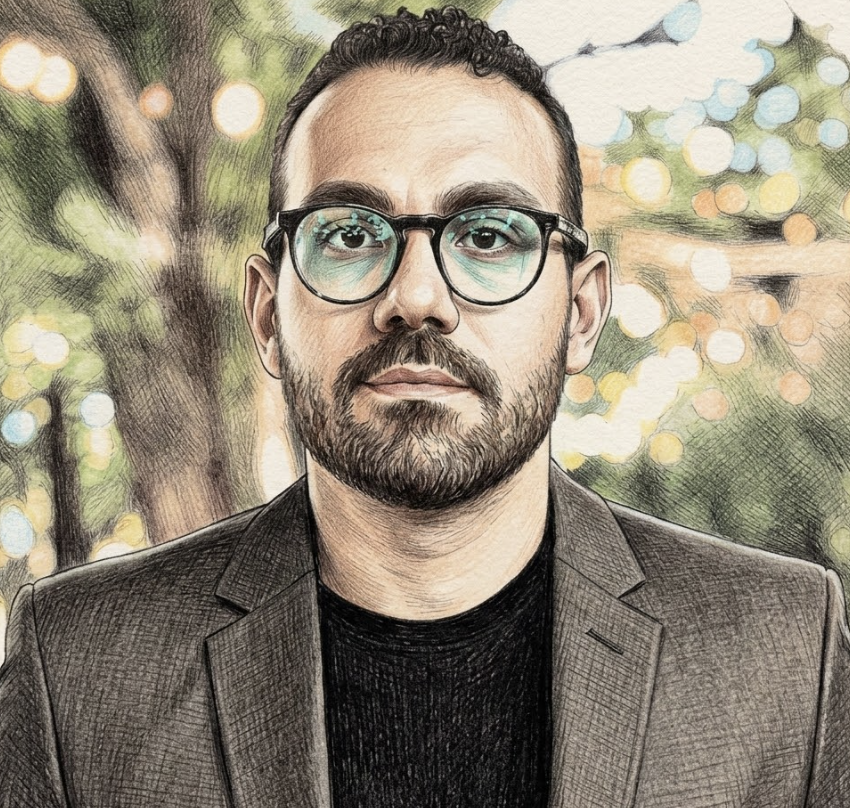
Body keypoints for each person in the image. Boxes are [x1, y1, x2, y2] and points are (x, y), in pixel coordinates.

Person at [1, 6, 849, 807]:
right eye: (348, 234)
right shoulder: (76, 668)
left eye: (487, 235)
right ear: (267, 314)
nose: (416, 297)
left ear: (582, 313)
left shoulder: (784, 653)